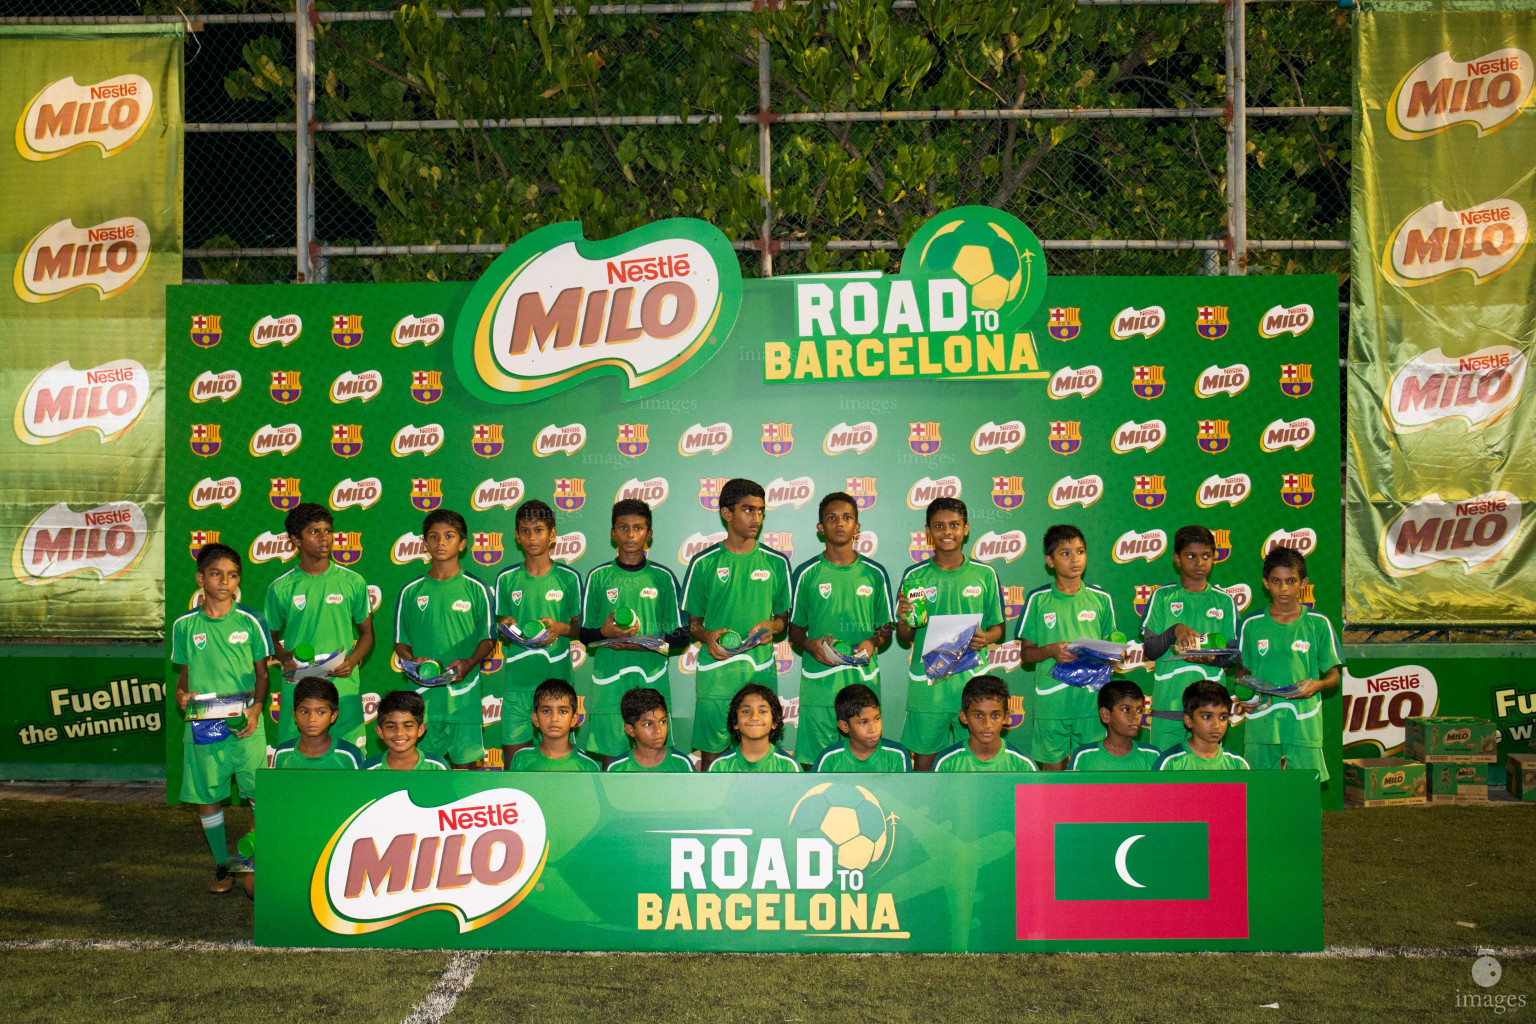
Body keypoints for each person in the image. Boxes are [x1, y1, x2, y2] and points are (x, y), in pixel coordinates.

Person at [171, 543, 270, 892]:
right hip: (202, 721)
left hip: (245, 721)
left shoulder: (252, 619)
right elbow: (184, 674)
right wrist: (181, 695)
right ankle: (222, 867)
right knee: (207, 794)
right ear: (201, 578)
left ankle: (259, 860)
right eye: (216, 574)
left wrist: (257, 709)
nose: (224, 581)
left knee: (260, 792)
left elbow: (262, 675)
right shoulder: (184, 625)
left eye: (232, 575)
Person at [682, 479, 792, 769]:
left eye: (760, 511)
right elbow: (691, 623)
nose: (756, 518)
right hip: (716, 674)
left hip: (759, 671)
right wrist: (707, 636)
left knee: (763, 751)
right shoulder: (703, 562)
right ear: (726, 514)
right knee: (712, 752)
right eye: (747, 510)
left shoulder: (776, 562)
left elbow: (784, 620)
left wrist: (774, 627)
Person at [895, 497, 1005, 770]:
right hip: (928, 685)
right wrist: (903, 618)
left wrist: (987, 638)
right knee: (925, 760)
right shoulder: (915, 575)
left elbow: (999, 628)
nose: (947, 532)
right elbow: (905, 636)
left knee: (978, 759)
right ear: (928, 532)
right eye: (939, 526)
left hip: (972, 684)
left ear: (966, 528)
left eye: (954, 525)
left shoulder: (985, 574)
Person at [789, 491, 893, 768]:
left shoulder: (875, 572)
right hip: (819, 682)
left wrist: (873, 641)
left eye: (847, 517)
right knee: (814, 761)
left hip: (861, 682)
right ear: (820, 527)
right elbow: (794, 630)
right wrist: (809, 644)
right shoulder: (806, 572)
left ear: (857, 527)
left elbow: (886, 628)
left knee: (864, 758)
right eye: (831, 518)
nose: (839, 523)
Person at [582, 500, 688, 765]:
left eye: (638, 528)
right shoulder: (598, 577)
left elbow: (682, 637)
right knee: (611, 762)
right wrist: (604, 632)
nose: (630, 534)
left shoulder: (663, 577)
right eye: (624, 527)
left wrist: (638, 644)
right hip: (610, 684)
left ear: (649, 534)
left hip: (650, 681)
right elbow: (584, 634)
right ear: (612, 533)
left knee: (651, 761)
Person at [264, 502, 374, 750]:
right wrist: (284, 657)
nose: (325, 538)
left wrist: (353, 660)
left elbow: (367, 633)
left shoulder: (353, 582)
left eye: (328, 531)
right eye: (314, 532)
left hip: (343, 684)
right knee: (295, 755)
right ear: (296, 539)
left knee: (350, 756)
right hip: (298, 684)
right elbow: (267, 639)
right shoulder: (281, 587)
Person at [393, 509, 495, 769]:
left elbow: (488, 639)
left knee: (465, 772)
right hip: (423, 697)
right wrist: (410, 660)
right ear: (424, 543)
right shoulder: (410, 591)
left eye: (449, 536)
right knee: (425, 769)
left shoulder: (476, 588)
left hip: (464, 697)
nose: (441, 542)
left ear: (462, 544)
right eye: (434, 536)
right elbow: (400, 642)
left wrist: (469, 663)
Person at [1234, 546, 1341, 781]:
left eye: (1291, 581)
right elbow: (1243, 673)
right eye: (1276, 581)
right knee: (1258, 788)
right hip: (1262, 721)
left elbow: (1334, 676)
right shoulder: (1251, 624)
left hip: (1303, 721)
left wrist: (1317, 685)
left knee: (1305, 787)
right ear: (1265, 582)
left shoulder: (1318, 623)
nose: (1283, 588)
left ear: (1304, 583)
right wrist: (1244, 697)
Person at [1016, 523, 1117, 771]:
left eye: (1080, 551)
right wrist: (1050, 650)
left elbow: (1112, 648)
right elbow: (1026, 655)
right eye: (1065, 553)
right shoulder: (1037, 599)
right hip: (1052, 704)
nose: (1075, 559)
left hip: (1090, 702)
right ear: (1050, 561)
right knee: (1052, 781)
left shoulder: (1101, 598)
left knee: (1091, 777)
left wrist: (1111, 655)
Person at [494, 499, 584, 768]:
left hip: (557, 686)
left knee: (560, 764)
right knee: (514, 765)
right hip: (518, 686)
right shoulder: (506, 579)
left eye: (539, 530)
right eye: (525, 531)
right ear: (516, 536)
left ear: (552, 534)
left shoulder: (569, 578)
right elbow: (500, 625)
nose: (532, 537)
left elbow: (581, 628)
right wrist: (505, 627)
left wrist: (560, 629)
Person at [1139, 524, 1238, 752]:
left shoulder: (1224, 602)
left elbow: (1233, 656)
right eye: (1191, 556)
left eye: (1206, 556)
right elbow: (1151, 650)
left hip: (1209, 711)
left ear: (1214, 558)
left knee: (1205, 779)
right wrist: (1174, 630)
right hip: (1169, 705)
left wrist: (1212, 660)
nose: (1199, 562)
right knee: (1164, 778)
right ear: (1176, 558)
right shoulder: (1162, 597)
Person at [934, 674, 1038, 772]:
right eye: (978, 715)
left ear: (1006, 717)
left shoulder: (1023, 765)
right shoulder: (947, 763)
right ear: (964, 716)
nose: (987, 724)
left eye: (995, 715)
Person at [507, 679, 602, 771]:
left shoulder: (587, 767)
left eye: (562, 711)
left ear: (574, 719)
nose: (554, 718)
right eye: (546, 711)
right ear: (535, 719)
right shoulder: (521, 759)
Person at [812, 683, 911, 772]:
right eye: (864, 722)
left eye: (877, 719)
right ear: (844, 726)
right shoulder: (829, 759)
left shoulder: (898, 755)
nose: (873, 729)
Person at [1068, 679, 1162, 771]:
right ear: (1106, 715)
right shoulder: (1084, 756)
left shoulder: (1152, 755)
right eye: (1126, 709)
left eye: (1139, 710)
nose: (1135, 716)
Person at [1155, 680, 1251, 770]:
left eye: (1223, 718)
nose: (1216, 725)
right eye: (1207, 717)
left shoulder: (1237, 765)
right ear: (1188, 720)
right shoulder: (1169, 763)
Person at [271, 677, 363, 769]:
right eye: (304, 712)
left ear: (333, 716)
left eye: (320, 712)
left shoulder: (350, 755)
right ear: (295, 715)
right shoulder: (282, 753)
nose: (311, 719)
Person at [707, 683, 800, 772]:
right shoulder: (719, 766)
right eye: (746, 711)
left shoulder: (788, 766)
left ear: (774, 722)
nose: (754, 717)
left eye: (762, 711)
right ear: (735, 722)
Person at [605, 688, 695, 772]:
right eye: (648, 724)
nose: (658, 730)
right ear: (630, 730)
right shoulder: (617, 768)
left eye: (662, 722)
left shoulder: (682, 764)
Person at [364, 690, 448, 771]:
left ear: (421, 729)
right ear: (380, 731)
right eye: (391, 726)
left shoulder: (437, 767)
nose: (399, 733)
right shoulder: (368, 769)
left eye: (408, 726)